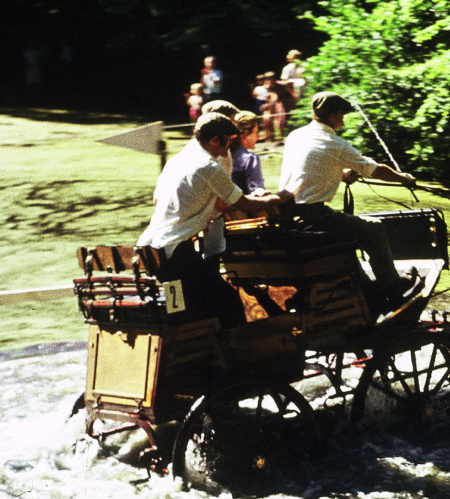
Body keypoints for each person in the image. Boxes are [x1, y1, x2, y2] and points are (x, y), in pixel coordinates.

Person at [139, 113, 289, 325]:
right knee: (228, 302)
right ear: (215, 140)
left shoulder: (177, 161)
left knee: (180, 309)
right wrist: (278, 198)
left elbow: (158, 200)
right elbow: (245, 204)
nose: (229, 147)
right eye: (228, 140)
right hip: (175, 254)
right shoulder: (209, 167)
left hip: (154, 250)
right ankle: (231, 354)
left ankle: (189, 346)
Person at [278, 91, 422, 307]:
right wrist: (404, 178)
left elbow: (308, 167)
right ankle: (392, 285)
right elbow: (374, 169)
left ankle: (366, 287)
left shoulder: (296, 135)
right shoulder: (335, 143)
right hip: (313, 215)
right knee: (374, 228)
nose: (343, 119)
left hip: (288, 210)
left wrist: (341, 174)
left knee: (349, 225)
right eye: (342, 115)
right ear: (334, 116)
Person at [230, 111, 267, 194]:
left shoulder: (223, 154)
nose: (258, 137)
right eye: (256, 132)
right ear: (246, 133)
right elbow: (257, 192)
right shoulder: (250, 159)